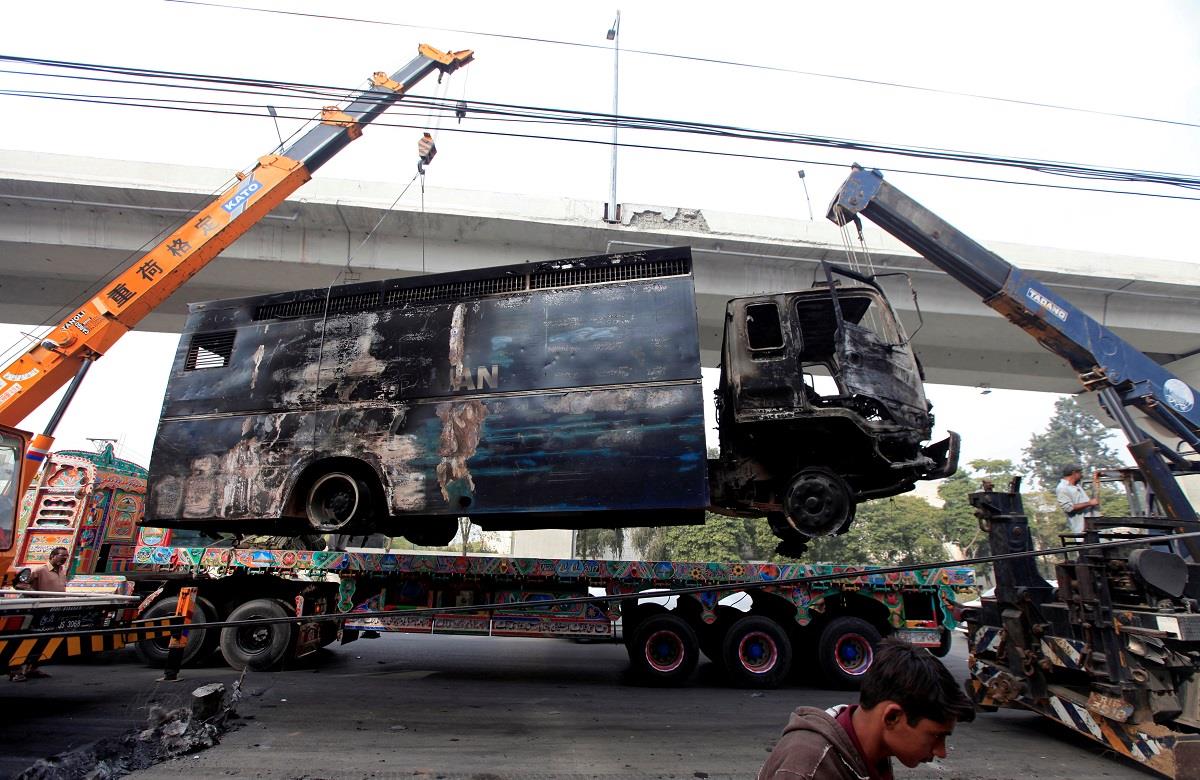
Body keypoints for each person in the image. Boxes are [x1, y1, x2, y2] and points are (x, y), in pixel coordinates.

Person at [758, 638, 974, 780]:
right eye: (936, 736)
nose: (941, 752)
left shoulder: (871, 752)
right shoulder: (808, 768)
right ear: (892, 717)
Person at [9, 546, 70, 682]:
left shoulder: (62, 571)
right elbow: (20, 584)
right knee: (24, 640)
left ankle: (32, 668)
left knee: (42, 640)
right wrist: (36, 595)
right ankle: (16, 671)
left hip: (52, 610)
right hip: (37, 610)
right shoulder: (39, 570)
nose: (65, 558)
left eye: (66, 556)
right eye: (62, 555)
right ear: (52, 556)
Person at [1055, 464, 1100, 534]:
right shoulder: (1062, 488)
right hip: (1082, 530)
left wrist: (1095, 479)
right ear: (1074, 473)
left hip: (1092, 526)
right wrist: (1089, 503)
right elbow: (1068, 508)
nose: (1081, 475)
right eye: (1080, 473)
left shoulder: (1076, 485)